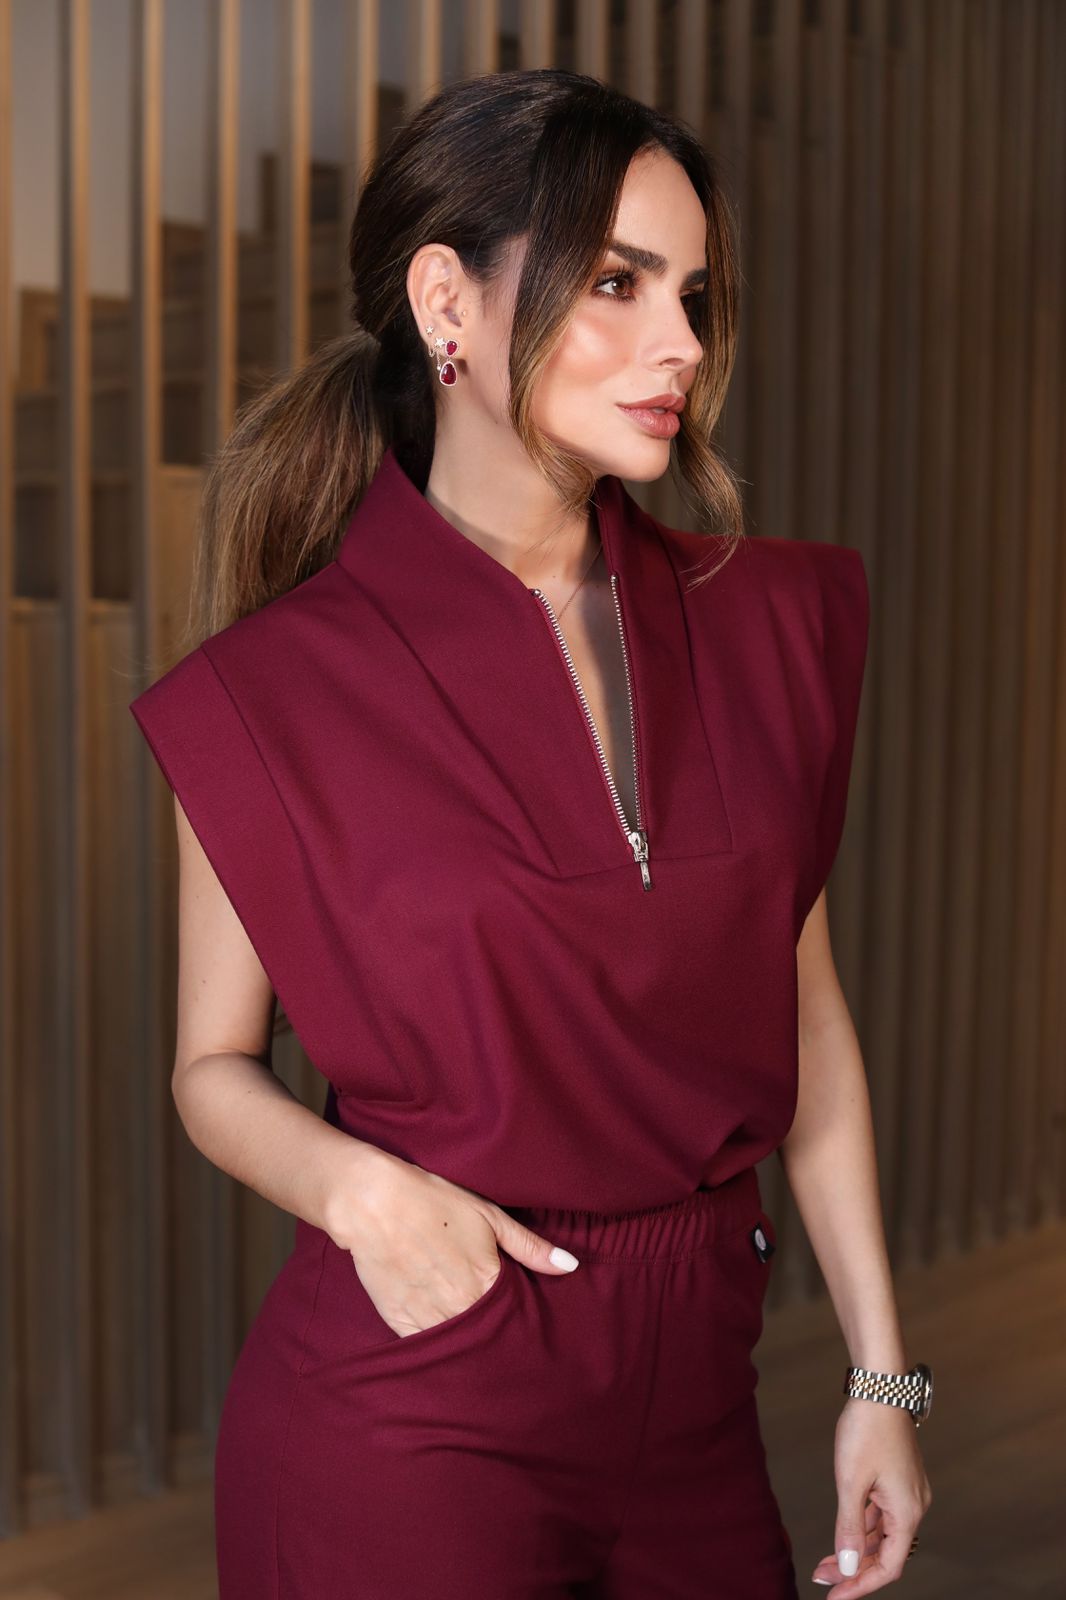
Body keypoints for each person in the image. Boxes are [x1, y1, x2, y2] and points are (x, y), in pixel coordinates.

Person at [129, 67, 931, 1600]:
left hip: (700, 1396)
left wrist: (881, 1379)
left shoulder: (760, 628)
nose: (678, 342)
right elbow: (209, 1069)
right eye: (617, 283)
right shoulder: (272, 691)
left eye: (690, 294)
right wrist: (357, 1192)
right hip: (415, 1401)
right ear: (447, 302)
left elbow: (806, 1019)